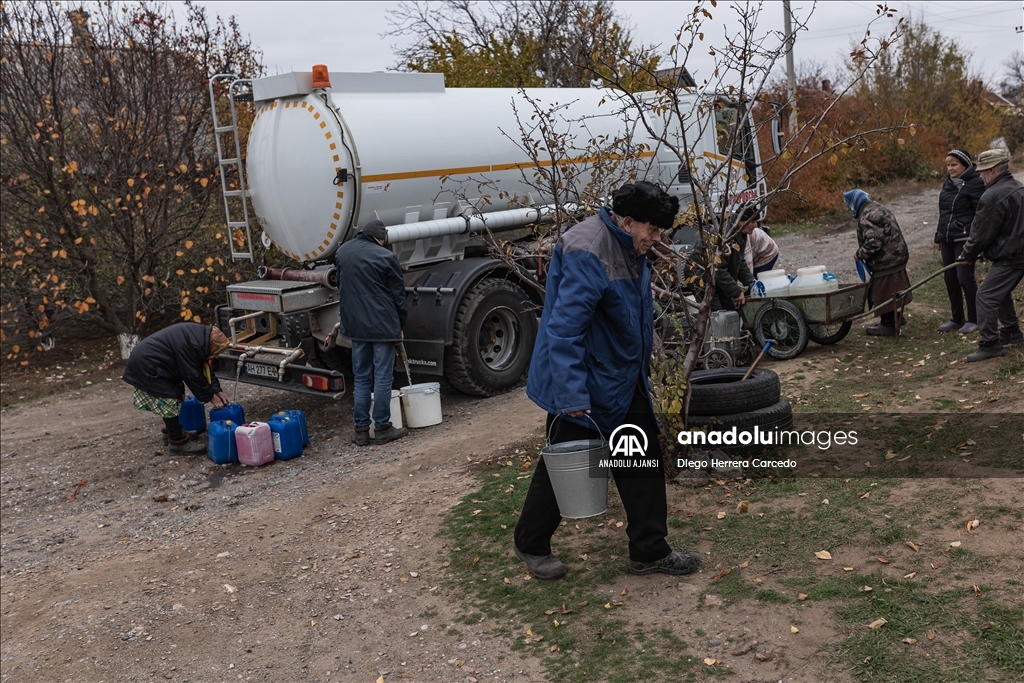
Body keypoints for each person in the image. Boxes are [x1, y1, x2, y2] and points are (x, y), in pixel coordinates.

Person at [514, 181, 700, 580]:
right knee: (567, 464)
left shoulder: (630, 245)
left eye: (659, 232)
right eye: (651, 231)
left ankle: (648, 551)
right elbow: (563, 331)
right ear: (627, 220)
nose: (655, 239)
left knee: (641, 461)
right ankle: (530, 543)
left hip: (619, 375)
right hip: (582, 380)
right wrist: (571, 395)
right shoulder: (589, 250)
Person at [334, 219, 409, 445]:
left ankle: (361, 430)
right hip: (383, 325)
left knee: (362, 377)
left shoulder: (342, 252)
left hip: (356, 326)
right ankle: (383, 427)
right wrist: (400, 326)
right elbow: (399, 298)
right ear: (380, 238)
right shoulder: (386, 257)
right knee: (383, 377)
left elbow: (340, 285)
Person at [957, 149, 1024, 362]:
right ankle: (1011, 331)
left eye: (983, 171)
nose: (980, 175)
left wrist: (967, 254)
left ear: (993, 170)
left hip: (1012, 257)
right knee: (999, 291)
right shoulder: (1019, 188)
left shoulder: (992, 196)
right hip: (1017, 253)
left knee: (985, 296)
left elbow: (980, 233)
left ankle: (990, 343)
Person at [122, 323, 232, 454]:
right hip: (147, 364)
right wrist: (210, 397)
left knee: (174, 393)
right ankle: (177, 443)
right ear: (211, 346)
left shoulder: (199, 341)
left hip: (152, 361)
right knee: (169, 397)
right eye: (217, 352)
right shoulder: (191, 345)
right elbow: (192, 375)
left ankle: (172, 432)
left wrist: (216, 389)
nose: (217, 356)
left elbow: (203, 368)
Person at [844, 189, 913, 336]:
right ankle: (895, 318)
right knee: (892, 288)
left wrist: (859, 253)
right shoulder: (876, 207)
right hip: (898, 254)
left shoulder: (866, 216)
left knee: (881, 291)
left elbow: (874, 241)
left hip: (887, 259)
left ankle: (888, 325)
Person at [935, 148, 985, 334]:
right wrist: (938, 236)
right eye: (948, 165)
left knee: (964, 278)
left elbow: (980, 214)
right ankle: (957, 318)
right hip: (948, 238)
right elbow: (944, 213)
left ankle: (975, 319)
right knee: (950, 278)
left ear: (964, 164)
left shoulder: (975, 183)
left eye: (954, 165)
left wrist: (977, 243)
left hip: (964, 238)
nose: (950, 168)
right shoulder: (948, 183)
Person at [739, 208, 780, 277]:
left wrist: (747, 285)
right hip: (757, 250)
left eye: (756, 221)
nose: (756, 226)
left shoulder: (746, 238)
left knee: (757, 279)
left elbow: (748, 267)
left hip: (768, 253)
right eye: (752, 222)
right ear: (740, 221)